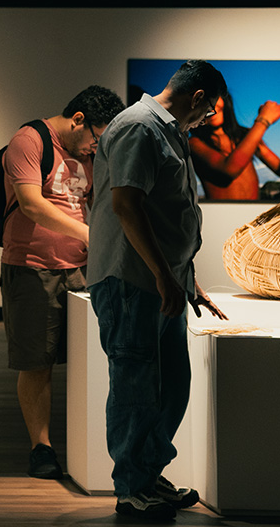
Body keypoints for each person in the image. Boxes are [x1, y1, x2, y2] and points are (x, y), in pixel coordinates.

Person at [87, 60, 229, 521]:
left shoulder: (168, 131)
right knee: (136, 387)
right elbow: (126, 206)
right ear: (199, 97)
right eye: (208, 113)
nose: (206, 121)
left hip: (160, 282)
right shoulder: (139, 127)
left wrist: (186, 280)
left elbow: (167, 215)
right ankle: (131, 488)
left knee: (172, 386)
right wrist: (165, 276)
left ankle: (148, 475)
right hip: (133, 282)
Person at [0, 85, 125, 479]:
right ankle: (42, 447)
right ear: (78, 121)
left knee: (93, 355)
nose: (95, 148)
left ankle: (87, 441)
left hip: (82, 270)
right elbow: (31, 203)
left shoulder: (85, 155)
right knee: (37, 362)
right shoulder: (29, 140)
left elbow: (90, 202)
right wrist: (89, 235)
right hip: (33, 266)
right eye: (95, 138)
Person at [189, 91, 280, 200]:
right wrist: (263, 121)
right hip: (225, 214)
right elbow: (229, 170)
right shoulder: (194, 144)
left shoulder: (244, 135)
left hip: (255, 213)